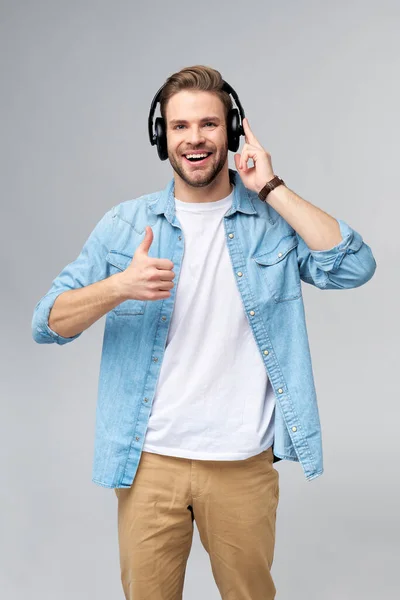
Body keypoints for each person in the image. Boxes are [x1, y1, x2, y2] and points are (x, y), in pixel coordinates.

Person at [31, 65, 377, 600]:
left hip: (242, 462)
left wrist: (270, 186)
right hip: (149, 463)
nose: (195, 139)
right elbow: (47, 323)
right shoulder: (125, 226)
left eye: (210, 125)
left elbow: (353, 265)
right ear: (162, 136)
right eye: (180, 127)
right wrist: (119, 286)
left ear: (232, 131)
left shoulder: (269, 222)